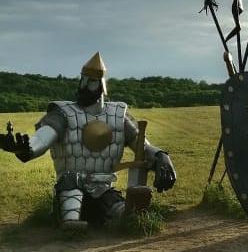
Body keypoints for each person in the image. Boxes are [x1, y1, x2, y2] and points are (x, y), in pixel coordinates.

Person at [0, 52, 177, 230]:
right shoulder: (62, 113)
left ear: (101, 84)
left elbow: (143, 146)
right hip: (68, 192)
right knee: (71, 179)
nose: (84, 86)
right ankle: (71, 224)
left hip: (103, 189)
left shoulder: (117, 117)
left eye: (90, 81)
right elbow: (42, 138)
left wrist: (161, 156)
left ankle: (129, 216)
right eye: (82, 80)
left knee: (117, 207)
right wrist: (26, 149)